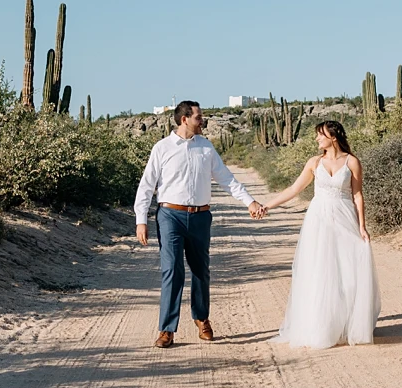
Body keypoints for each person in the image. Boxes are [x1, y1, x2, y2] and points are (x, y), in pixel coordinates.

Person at [134, 100, 265, 349]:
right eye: (198, 117)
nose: (202, 121)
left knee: (200, 271)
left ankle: (202, 319)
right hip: (170, 215)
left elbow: (227, 179)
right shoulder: (162, 148)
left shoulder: (206, 147)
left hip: (200, 216)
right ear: (184, 119)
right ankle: (167, 329)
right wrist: (141, 220)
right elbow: (147, 185)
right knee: (172, 271)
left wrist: (249, 201)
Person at [263, 120, 381, 348]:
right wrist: (268, 206)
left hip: (345, 218)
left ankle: (347, 323)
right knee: (320, 269)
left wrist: (362, 226)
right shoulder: (314, 162)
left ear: (333, 137)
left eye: (321, 135)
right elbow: (293, 189)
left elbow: (357, 195)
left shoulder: (352, 162)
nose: (317, 139)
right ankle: (322, 324)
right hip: (318, 220)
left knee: (347, 270)